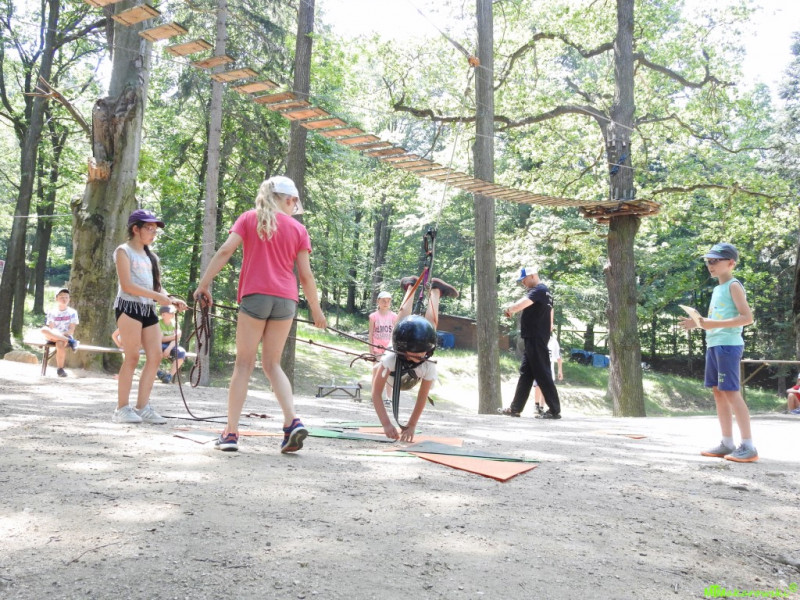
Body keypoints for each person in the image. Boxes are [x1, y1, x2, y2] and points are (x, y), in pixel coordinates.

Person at [193, 175, 327, 454]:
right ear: (288, 200)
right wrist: (316, 310)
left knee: (243, 364)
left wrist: (203, 284)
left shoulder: (249, 219)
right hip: (286, 300)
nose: (294, 207)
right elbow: (306, 275)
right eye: (294, 203)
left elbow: (225, 250)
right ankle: (292, 421)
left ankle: (230, 433)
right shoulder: (298, 229)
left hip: (255, 296)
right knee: (272, 364)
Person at [680, 243, 757, 462]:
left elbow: (747, 318)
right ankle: (727, 443)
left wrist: (711, 323)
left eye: (715, 261)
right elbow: (715, 320)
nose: (710, 265)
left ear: (731, 263)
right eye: (708, 261)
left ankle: (748, 446)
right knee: (718, 392)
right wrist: (697, 323)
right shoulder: (717, 289)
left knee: (731, 392)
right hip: (714, 345)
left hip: (728, 345)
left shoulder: (734, 285)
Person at [112, 209, 187, 425]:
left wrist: (171, 299)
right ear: (136, 229)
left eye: (155, 229)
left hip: (148, 309)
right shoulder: (123, 251)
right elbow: (127, 285)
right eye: (149, 228)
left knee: (155, 356)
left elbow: (157, 287)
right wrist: (157, 297)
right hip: (129, 308)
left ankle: (142, 407)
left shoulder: (151, 257)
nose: (153, 233)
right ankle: (121, 409)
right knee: (132, 357)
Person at [370, 276, 458, 442]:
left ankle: (432, 290)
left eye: (422, 354)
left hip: (409, 373)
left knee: (429, 328)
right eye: (415, 354)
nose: (420, 357)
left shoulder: (428, 364)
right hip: (396, 369)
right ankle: (414, 287)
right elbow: (376, 393)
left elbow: (422, 397)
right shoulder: (390, 359)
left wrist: (411, 424)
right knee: (401, 325)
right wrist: (386, 424)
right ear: (403, 350)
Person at [499, 266, 561, 419]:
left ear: (533, 276)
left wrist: (509, 309)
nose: (523, 283)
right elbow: (551, 317)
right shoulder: (546, 293)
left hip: (536, 338)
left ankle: (554, 410)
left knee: (542, 372)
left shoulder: (539, 290)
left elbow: (521, 304)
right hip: (535, 337)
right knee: (526, 374)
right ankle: (515, 408)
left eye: (524, 279)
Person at [40, 288, 79, 378]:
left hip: (65, 336)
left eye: (66, 297)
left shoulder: (73, 312)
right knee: (43, 329)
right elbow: (51, 328)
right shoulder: (52, 312)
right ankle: (72, 342)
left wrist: (60, 336)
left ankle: (60, 369)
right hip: (53, 335)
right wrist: (56, 334)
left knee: (60, 343)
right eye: (61, 297)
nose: (64, 299)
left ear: (69, 299)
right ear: (56, 298)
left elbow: (71, 330)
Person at [534, 335, 563, 415]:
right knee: (538, 385)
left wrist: (560, 370)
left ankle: (541, 407)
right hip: (539, 364)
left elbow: (559, 357)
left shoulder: (554, 341)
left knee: (546, 387)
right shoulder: (538, 338)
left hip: (549, 365)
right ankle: (536, 405)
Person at [158, 304, 186, 383]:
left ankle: (169, 376)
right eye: (170, 312)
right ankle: (159, 372)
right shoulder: (158, 324)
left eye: (173, 312)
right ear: (163, 315)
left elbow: (176, 339)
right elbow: (161, 339)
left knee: (181, 352)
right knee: (155, 350)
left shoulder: (175, 323)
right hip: (159, 344)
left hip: (172, 345)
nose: (173, 314)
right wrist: (174, 337)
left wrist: (169, 348)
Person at [368, 291, 397, 356]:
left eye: (388, 301)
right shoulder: (373, 316)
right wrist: (371, 350)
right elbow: (370, 333)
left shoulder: (394, 316)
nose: (386, 303)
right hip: (377, 347)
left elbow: (395, 334)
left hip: (389, 348)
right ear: (378, 301)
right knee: (378, 362)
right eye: (383, 301)